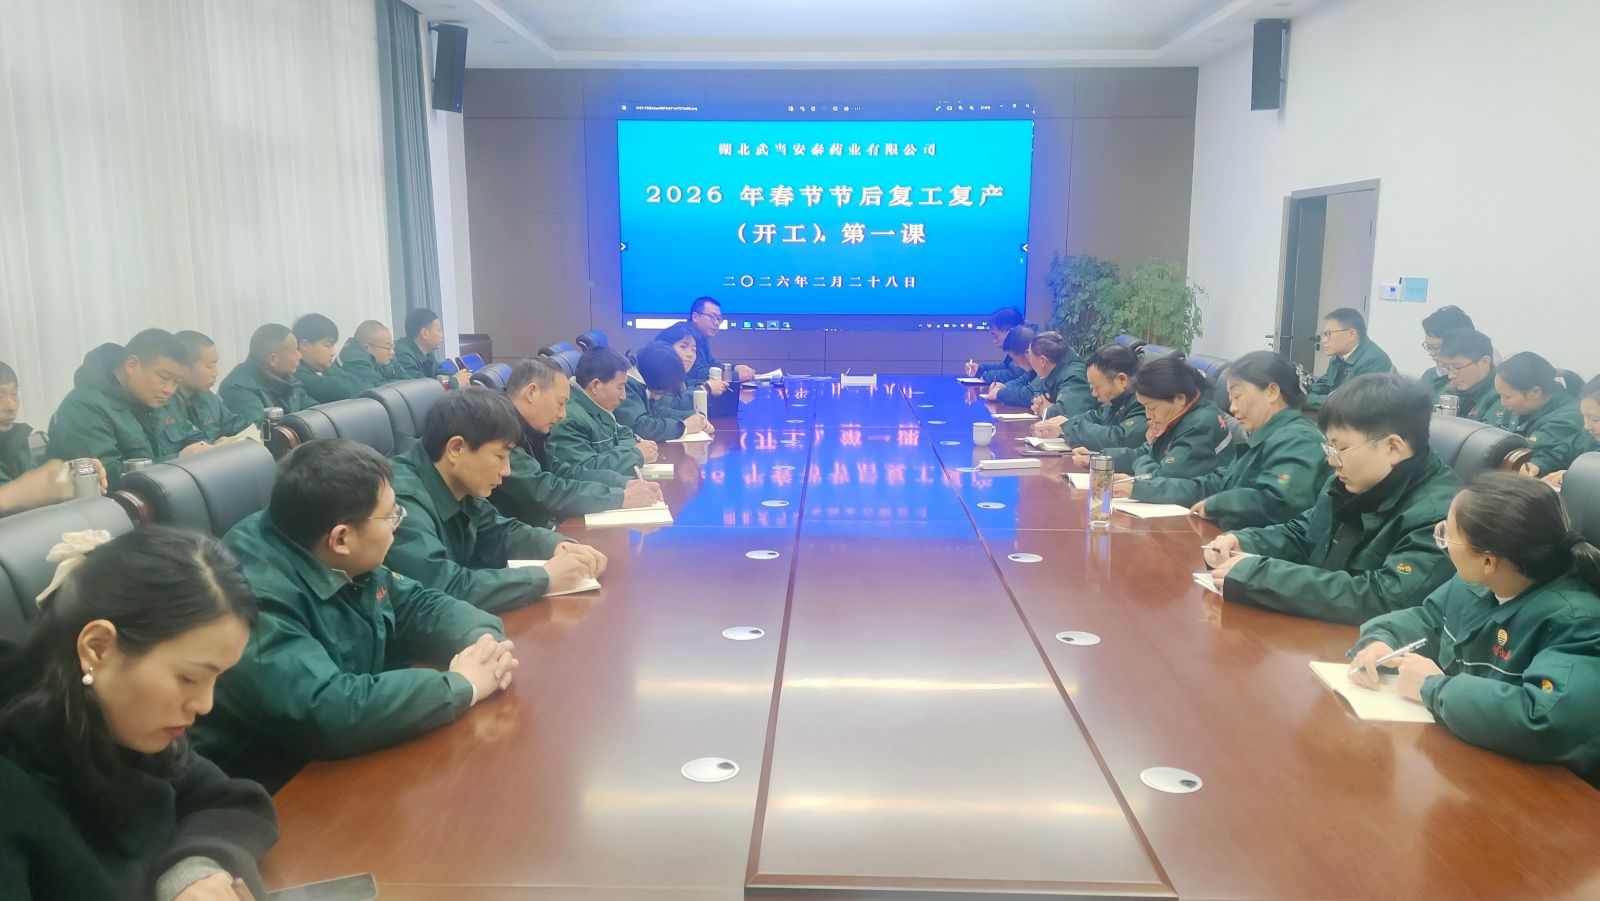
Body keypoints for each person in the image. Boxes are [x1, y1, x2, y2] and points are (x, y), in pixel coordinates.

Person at [191, 440, 517, 792]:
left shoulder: (324, 541)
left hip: (342, 758)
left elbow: (418, 603)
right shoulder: (250, 596)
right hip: (271, 786)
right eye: (391, 516)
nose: (397, 524)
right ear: (341, 539)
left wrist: (484, 643)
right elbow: (327, 709)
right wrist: (462, 685)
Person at [0, 526, 278, 899]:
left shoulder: (114, 725)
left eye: (216, 679)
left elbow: (232, 800)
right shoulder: (17, 784)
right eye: (188, 677)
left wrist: (192, 870)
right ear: (98, 647)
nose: (205, 704)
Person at [1350, 471, 1600, 787]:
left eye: (1447, 534)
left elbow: (1544, 719)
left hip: (1540, 790)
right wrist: (1383, 639)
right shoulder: (1476, 582)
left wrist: (1434, 688)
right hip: (1469, 760)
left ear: (1488, 561)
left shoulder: (1578, 620)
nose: (1441, 542)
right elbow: (1429, 619)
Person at [1208, 374, 1461, 624]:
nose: (1331, 461)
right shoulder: (1350, 480)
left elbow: (1383, 598)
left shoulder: (1441, 517)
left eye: (1341, 449)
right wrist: (1246, 542)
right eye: (1329, 447)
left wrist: (1262, 577)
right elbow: (1305, 533)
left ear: (1393, 447)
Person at [387, 387, 607, 612]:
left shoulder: (456, 481)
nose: (507, 470)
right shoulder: (398, 502)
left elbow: (500, 533)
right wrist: (544, 577)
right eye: (500, 456)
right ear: (456, 448)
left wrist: (557, 546)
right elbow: (442, 587)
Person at [1121, 351, 1328, 530]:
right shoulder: (1265, 437)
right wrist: (1139, 489)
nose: (1233, 408)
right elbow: (1212, 485)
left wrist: (1217, 503)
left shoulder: (1299, 441)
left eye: (1237, 397)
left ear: (1271, 392)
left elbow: (1279, 503)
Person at [491, 356, 663, 529]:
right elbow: (544, 491)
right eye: (560, 403)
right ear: (531, 393)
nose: (563, 415)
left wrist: (622, 483)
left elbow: (564, 472)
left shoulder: (531, 429)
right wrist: (620, 497)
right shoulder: (498, 432)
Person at [48, 329, 210, 488]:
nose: (170, 389)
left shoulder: (166, 400)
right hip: (119, 502)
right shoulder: (83, 407)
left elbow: (193, 440)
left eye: (176, 381)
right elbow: (105, 478)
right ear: (132, 365)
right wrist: (177, 461)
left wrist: (210, 448)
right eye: (164, 377)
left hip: (170, 493)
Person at [1088, 354, 1235, 481]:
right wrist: (1098, 457)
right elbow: (1147, 452)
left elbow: (1163, 477)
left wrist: (1143, 460)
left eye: (1151, 407)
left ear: (1179, 398)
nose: (1148, 415)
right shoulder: (1180, 413)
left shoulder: (1200, 425)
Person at [0, 362, 107, 516]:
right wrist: (15, 494)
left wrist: (68, 482)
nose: (11, 406)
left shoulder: (15, 440)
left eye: (14, 393)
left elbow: (36, 500)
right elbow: (25, 493)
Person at [546, 347, 661, 488]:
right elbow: (586, 471)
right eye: (620, 388)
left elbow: (625, 433)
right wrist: (635, 455)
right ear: (595, 385)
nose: (623, 396)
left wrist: (624, 453)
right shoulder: (568, 419)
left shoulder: (596, 405)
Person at [1036, 344, 1147, 450]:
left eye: (1096, 387)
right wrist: (1064, 424)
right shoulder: (1116, 400)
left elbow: (1119, 439)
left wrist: (1070, 427)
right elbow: (1096, 417)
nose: (1094, 393)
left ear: (1121, 380)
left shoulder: (1144, 402)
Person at [1492, 352, 1586, 477]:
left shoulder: (1569, 417)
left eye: (1507, 397)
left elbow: (1540, 455)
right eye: (1500, 395)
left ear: (1535, 392)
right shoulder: (1519, 404)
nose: (1502, 402)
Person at [619, 339, 713, 442]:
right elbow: (640, 428)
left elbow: (655, 411)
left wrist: (693, 416)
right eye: (663, 391)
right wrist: (683, 427)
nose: (658, 397)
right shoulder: (627, 384)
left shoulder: (642, 382)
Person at [219, 323, 312, 424]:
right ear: (273, 359)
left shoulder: (287, 379)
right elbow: (260, 430)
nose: (299, 356)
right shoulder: (238, 389)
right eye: (294, 351)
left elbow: (315, 412)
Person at [1305, 308, 1394, 409]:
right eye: (1324, 334)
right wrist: (1302, 395)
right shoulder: (1338, 357)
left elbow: (1351, 403)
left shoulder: (1374, 360)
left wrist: (1305, 400)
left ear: (1351, 335)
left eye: (1328, 334)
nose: (1324, 340)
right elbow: (1325, 384)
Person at [173, 331, 252, 443]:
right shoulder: (162, 405)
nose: (216, 373)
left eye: (216, 364)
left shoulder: (208, 398)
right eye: (209, 366)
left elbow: (237, 427)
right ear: (183, 368)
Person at [667, 296, 754, 393]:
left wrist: (733, 368)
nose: (716, 323)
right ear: (695, 317)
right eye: (712, 317)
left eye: (719, 319)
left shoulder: (702, 336)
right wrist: (734, 376)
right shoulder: (683, 334)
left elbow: (710, 364)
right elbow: (695, 374)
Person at [1542, 377, 1600, 489]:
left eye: (1594, 419)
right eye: (1584, 416)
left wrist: (1575, 477)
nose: (1587, 426)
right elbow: (1563, 453)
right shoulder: (1589, 437)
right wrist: (1539, 465)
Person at [1025, 331, 1097, 420]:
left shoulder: (1074, 376)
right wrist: (1038, 401)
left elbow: (1070, 416)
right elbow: (1040, 393)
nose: (1029, 361)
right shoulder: (1054, 370)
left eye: (1030, 357)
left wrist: (1046, 411)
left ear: (1042, 361)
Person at [1434, 328, 1501, 422]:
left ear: (1485, 362)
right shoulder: (1448, 391)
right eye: (1448, 368)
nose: (1450, 376)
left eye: (1457, 367)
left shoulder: (1502, 396)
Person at [292, 313, 361, 404]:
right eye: (327, 345)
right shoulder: (297, 375)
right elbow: (344, 391)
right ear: (305, 345)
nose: (333, 353)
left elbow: (359, 383)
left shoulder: (323, 366)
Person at [394, 308, 471, 387]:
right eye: (439, 330)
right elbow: (420, 387)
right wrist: (455, 381)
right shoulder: (403, 354)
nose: (442, 335)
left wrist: (462, 377)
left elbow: (439, 372)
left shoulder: (426, 351)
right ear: (425, 333)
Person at [1419, 305, 1475, 400]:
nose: (1431, 353)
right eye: (1428, 347)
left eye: (1436, 348)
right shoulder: (1429, 376)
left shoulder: (1471, 381)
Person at [337, 319, 404, 391]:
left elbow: (408, 381)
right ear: (367, 347)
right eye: (387, 347)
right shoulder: (355, 363)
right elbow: (384, 391)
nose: (392, 352)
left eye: (392, 345)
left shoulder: (386, 354)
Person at [964, 306, 1027, 381]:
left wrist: (987, 377)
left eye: (995, 335)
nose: (994, 341)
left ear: (1009, 331)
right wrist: (979, 370)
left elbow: (1014, 375)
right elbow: (1006, 367)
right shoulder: (1018, 345)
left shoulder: (1024, 347)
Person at [983, 326, 1036, 405]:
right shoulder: (1032, 370)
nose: (1015, 364)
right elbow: (1023, 380)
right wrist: (1004, 387)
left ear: (1027, 354)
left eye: (1014, 359)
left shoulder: (1042, 370)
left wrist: (999, 394)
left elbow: (1030, 394)